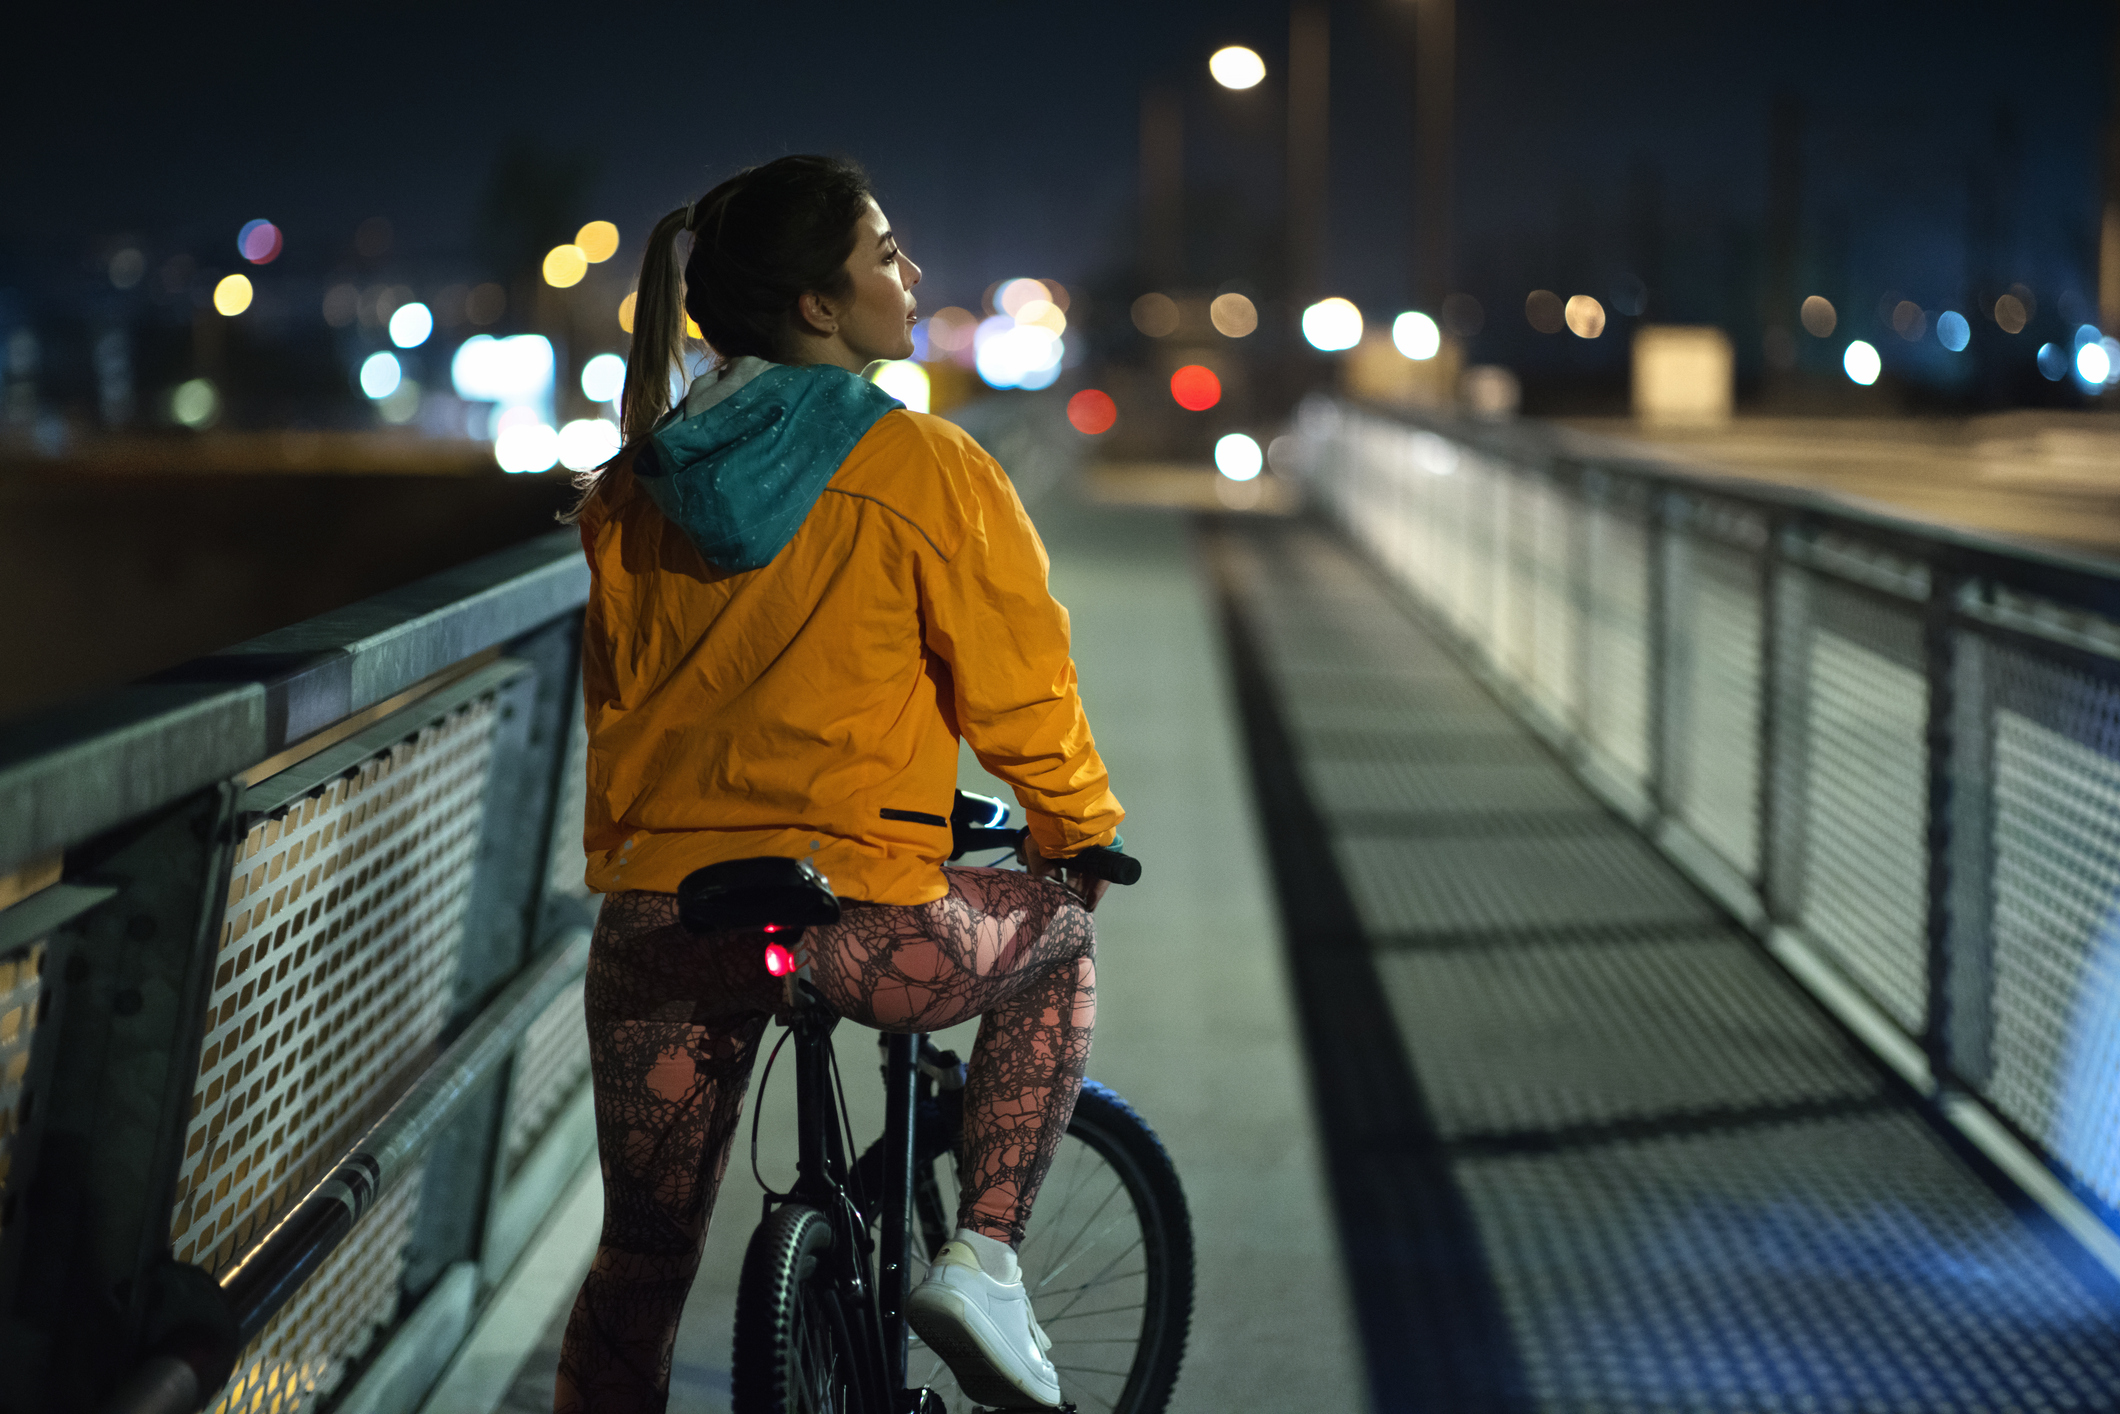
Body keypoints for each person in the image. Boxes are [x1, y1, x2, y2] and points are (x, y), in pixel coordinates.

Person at [556, 154, 1123, 1414]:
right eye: (882, 254)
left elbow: (623, 695)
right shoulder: (925, 466)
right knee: (1060, 942)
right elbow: (1019, 688)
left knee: (641, 1262)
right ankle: (978, 1260)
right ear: (818, 306)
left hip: (661, 919)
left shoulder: (635, 489)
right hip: (852, 917)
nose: (908, 274)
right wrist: (1074, 827)